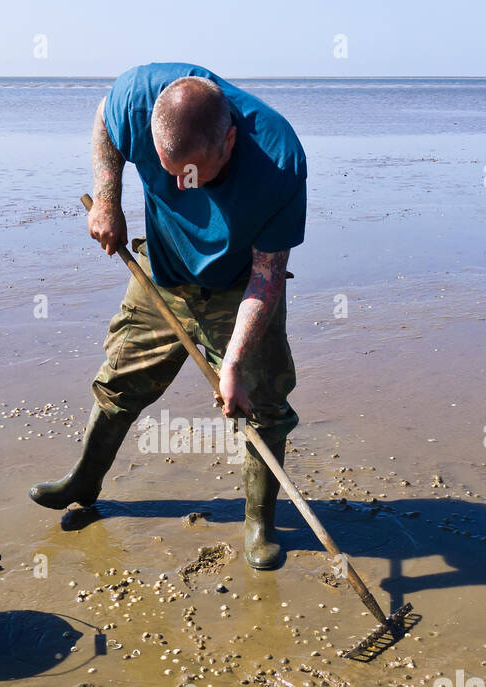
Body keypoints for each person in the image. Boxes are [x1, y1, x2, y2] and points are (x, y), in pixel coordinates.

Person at [29, 62, 306, 570]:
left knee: (263, 404)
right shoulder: (138, 97)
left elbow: (267, 276)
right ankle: (84, 482)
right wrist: (108, 199)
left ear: (229, 141)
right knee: (119, 380)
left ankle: (259, 522)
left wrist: (234, 363)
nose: (180, 187)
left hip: (238, 287)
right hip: (161, 272)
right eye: (168, 171)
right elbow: (105, 123)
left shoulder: (280, 161)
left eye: (193, 174)